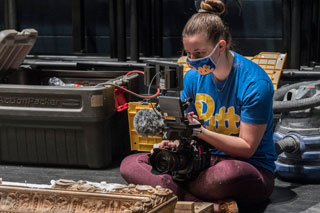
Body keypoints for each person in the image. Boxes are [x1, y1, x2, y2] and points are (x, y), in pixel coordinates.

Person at [120, 0, 277, 209]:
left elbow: (246, 148)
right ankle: (201, 203)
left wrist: (200, 132)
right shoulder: (193, 77)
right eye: (188, 53)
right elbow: (187, 127)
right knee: (130, 165)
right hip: (200, 163)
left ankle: (177, 195)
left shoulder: (255, 84)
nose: (191, 60)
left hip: (247, 167)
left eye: (199, 54)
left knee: (227, 175)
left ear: (220, 46)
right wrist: (173, 144)